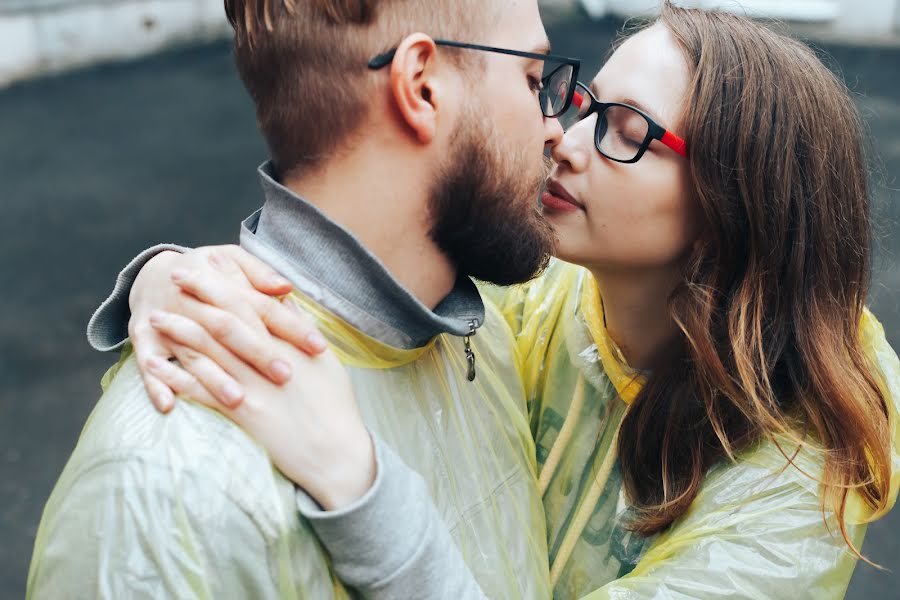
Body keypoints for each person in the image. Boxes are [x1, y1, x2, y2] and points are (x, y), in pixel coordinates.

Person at [88, 3, 900, 599]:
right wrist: (182, 277)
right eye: (581, 103)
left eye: (627, 130)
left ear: (739, 202)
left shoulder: (804, 472)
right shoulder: (543, 303)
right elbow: (372, 275)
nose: (564, 139)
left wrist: (364, 494)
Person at [26, 0, 582, 598]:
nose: (556, 127)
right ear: (421, 88)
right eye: (532, 80)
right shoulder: (163, 491)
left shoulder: (480, 335)